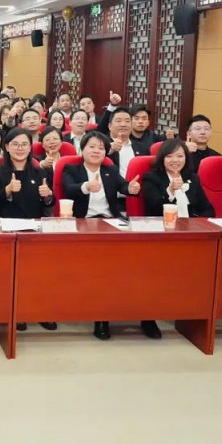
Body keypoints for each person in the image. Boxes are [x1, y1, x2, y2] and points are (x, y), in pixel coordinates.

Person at [61, 131, 143, 341]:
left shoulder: (110, 170)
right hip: (82, 224)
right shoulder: (71, 169)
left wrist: (131, 188)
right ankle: (101, 317)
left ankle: (143, 313)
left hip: (109, 223)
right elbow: (68, 189)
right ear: (82, 149)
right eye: (92, 146)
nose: (96, 151)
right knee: (101, 268)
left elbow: (123, 186)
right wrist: (86, 186)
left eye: (101, 148)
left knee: (134, 262)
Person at [0, 127, 56, 332]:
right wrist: (7, 190)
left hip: (34, 229)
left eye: (24, 144)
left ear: (30, 147)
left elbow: (50, 203)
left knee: (38, 272)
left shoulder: (41, 172)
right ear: (7, 147)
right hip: (6, 230)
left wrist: (47, 195)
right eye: (15, 144)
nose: (20, 148)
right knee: (12, 273)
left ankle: (38, 311)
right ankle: (16, 313)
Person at [142, 139, 214, 218]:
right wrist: (170, 192)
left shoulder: (192, 177)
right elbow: (155, 210)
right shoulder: (151, 178)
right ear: (162, 158)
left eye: (180, 156)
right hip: (164, 223)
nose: (175, 160)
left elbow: (208, 210)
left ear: (186, 158)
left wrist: (198, 222)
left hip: (191, 223)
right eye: (169, 156)